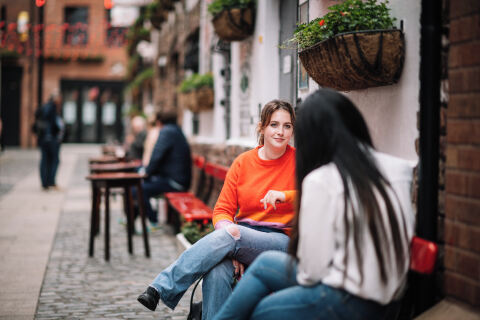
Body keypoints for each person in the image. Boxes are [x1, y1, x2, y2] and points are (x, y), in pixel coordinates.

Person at [213, 88, 416, 320]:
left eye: (289, 127)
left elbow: (312, 271)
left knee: (261, 311)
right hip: (392, 297)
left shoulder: (321, 180)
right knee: (265, 263)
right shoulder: (398, 169)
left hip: (350, 300)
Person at [137, 100, 297, 320]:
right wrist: (229, 238)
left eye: (287, 126)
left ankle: (162, 287)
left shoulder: (300, 161)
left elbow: (315, 194)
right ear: (262, 127)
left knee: (234, 236)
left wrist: (285, 195)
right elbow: (222, 209)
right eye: (274, 125)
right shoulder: (243, 163)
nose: (280, 132)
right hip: (240, 237)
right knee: (216, 271)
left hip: (281, 240)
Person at [135, 111, 192, 227]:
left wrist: (146, 172)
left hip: (175, 182)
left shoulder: (167, 132)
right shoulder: (176, 130)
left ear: (159, 122)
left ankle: (153, 221)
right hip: (177, 179)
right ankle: (138, 219)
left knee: (137, 189)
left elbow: (157, 155)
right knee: (138, 185)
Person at [35, 90, 63, 190]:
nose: (60, 100)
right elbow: (55, 124)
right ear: (55, 98)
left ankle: (45, 183)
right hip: (51, 138)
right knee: (54, 160)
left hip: (43, 138)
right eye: (59, 98)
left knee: (44, 160)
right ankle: (51, 181)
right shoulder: (53, 108)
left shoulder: (43, 107)